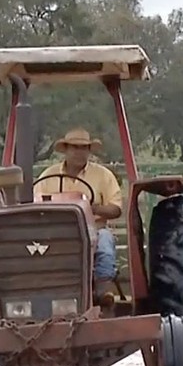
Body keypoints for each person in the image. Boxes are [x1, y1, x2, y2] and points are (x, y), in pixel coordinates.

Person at [34, 128, 123, 300]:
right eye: (74, 147)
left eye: (84, 148)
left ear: (89, 151)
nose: (79, 152)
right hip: (57, 231)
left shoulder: (103, 175)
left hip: (93, 231)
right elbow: (34, 204)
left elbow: (116, 209)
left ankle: (103, 289)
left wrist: (93, 208)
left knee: (104, 239)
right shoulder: (48, 176)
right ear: (65, 150)